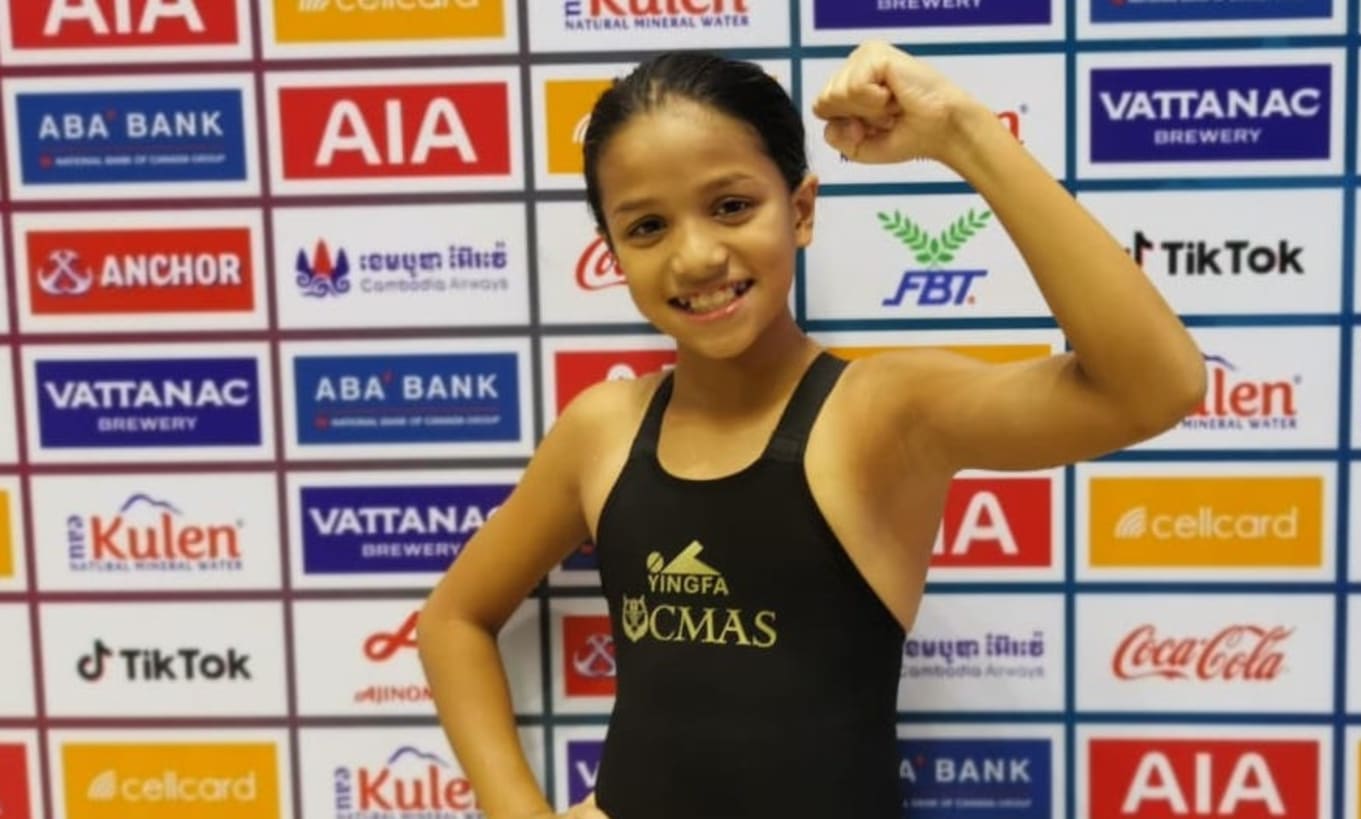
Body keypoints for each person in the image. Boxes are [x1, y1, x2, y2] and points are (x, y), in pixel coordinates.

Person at [418, 41, 1206, 819]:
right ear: (616, 255)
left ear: (800, 211)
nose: (696, 256)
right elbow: (454, 619)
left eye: (732, 206)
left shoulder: (881, 412)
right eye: (648, 226)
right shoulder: (602, 428)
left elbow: (1153, 388)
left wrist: (963, 133)